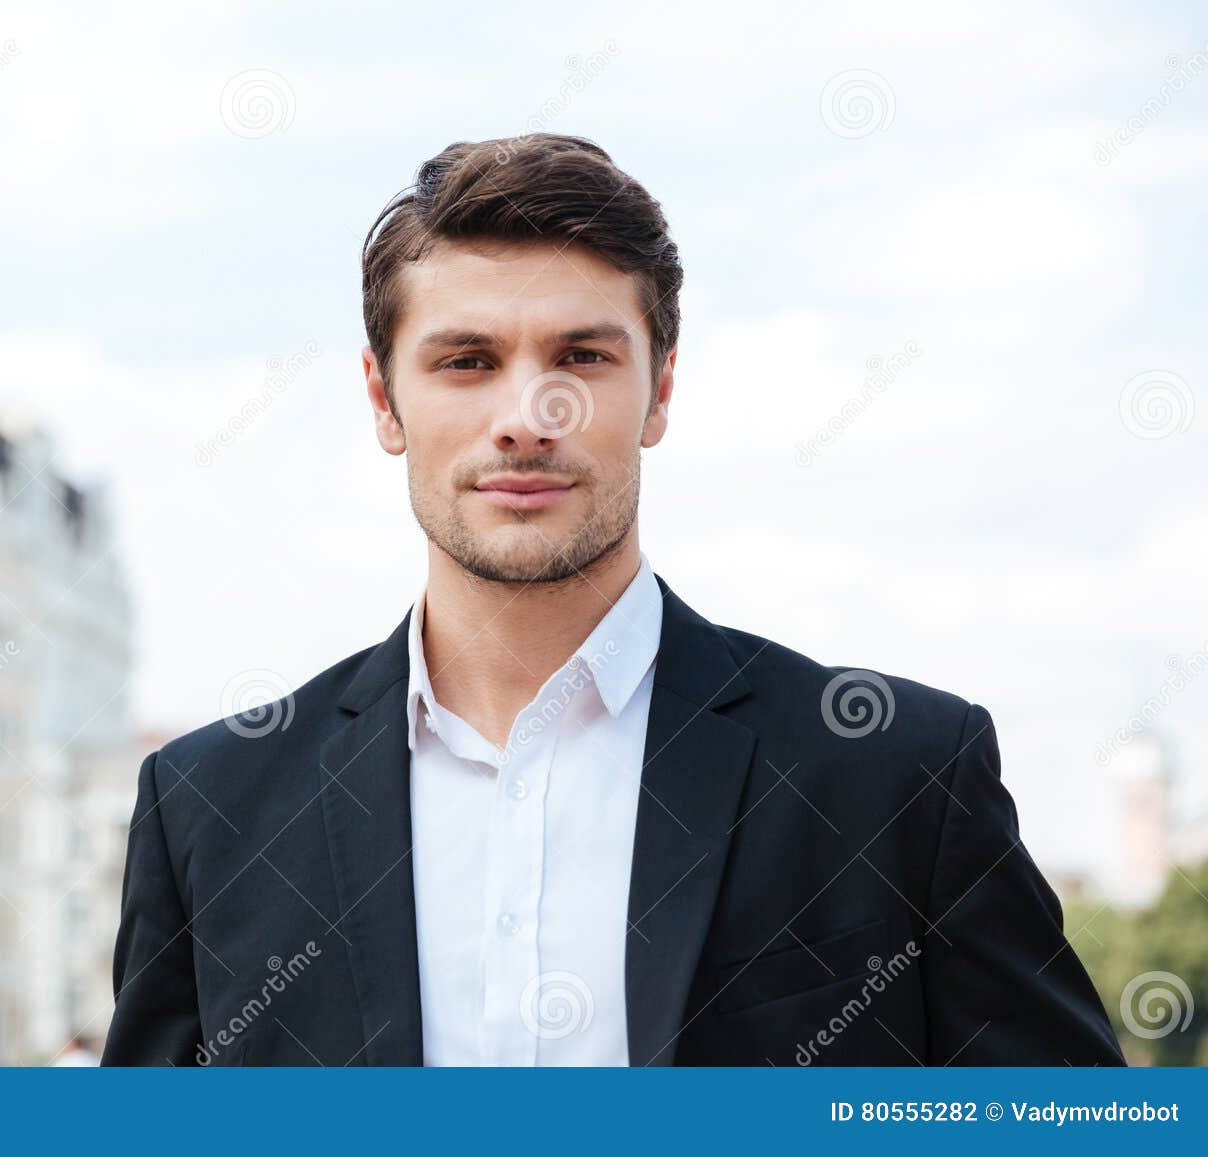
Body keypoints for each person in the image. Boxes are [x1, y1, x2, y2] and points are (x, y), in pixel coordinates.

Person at [103, 133, 1123, 1067]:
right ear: (383, 400)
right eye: (466, 362)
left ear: (660, 390)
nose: (525, 416)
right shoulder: (209, 811)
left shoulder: (896, 773)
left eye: (581, 358)